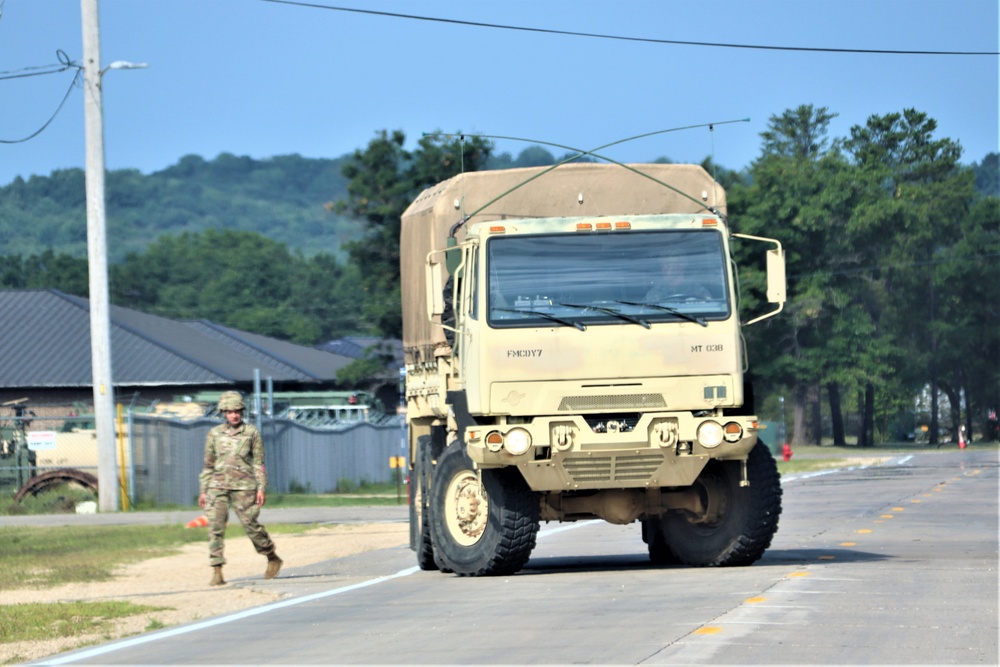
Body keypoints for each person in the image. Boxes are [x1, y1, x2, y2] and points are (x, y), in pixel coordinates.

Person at [198, 391, 282, 586]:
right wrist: (203, 490)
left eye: (237, 411)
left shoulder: (251, 433)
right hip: (217, 485)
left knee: (249, 524)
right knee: (215, 526)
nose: (234, 415)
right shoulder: (214, 434)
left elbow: (258, 463)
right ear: (223, 413)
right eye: (229, 412)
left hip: (244, 486)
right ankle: (217, 570)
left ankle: (271, 555)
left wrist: (261, 487)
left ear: (242, 411)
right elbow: (208, 464)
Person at [644, 256, 711, 302]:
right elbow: (643, 311)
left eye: (668, 265)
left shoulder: (698, 291)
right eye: (663, 266)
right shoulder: (655, 292)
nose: (664, 269)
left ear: (679, 267)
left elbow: (709, 310)